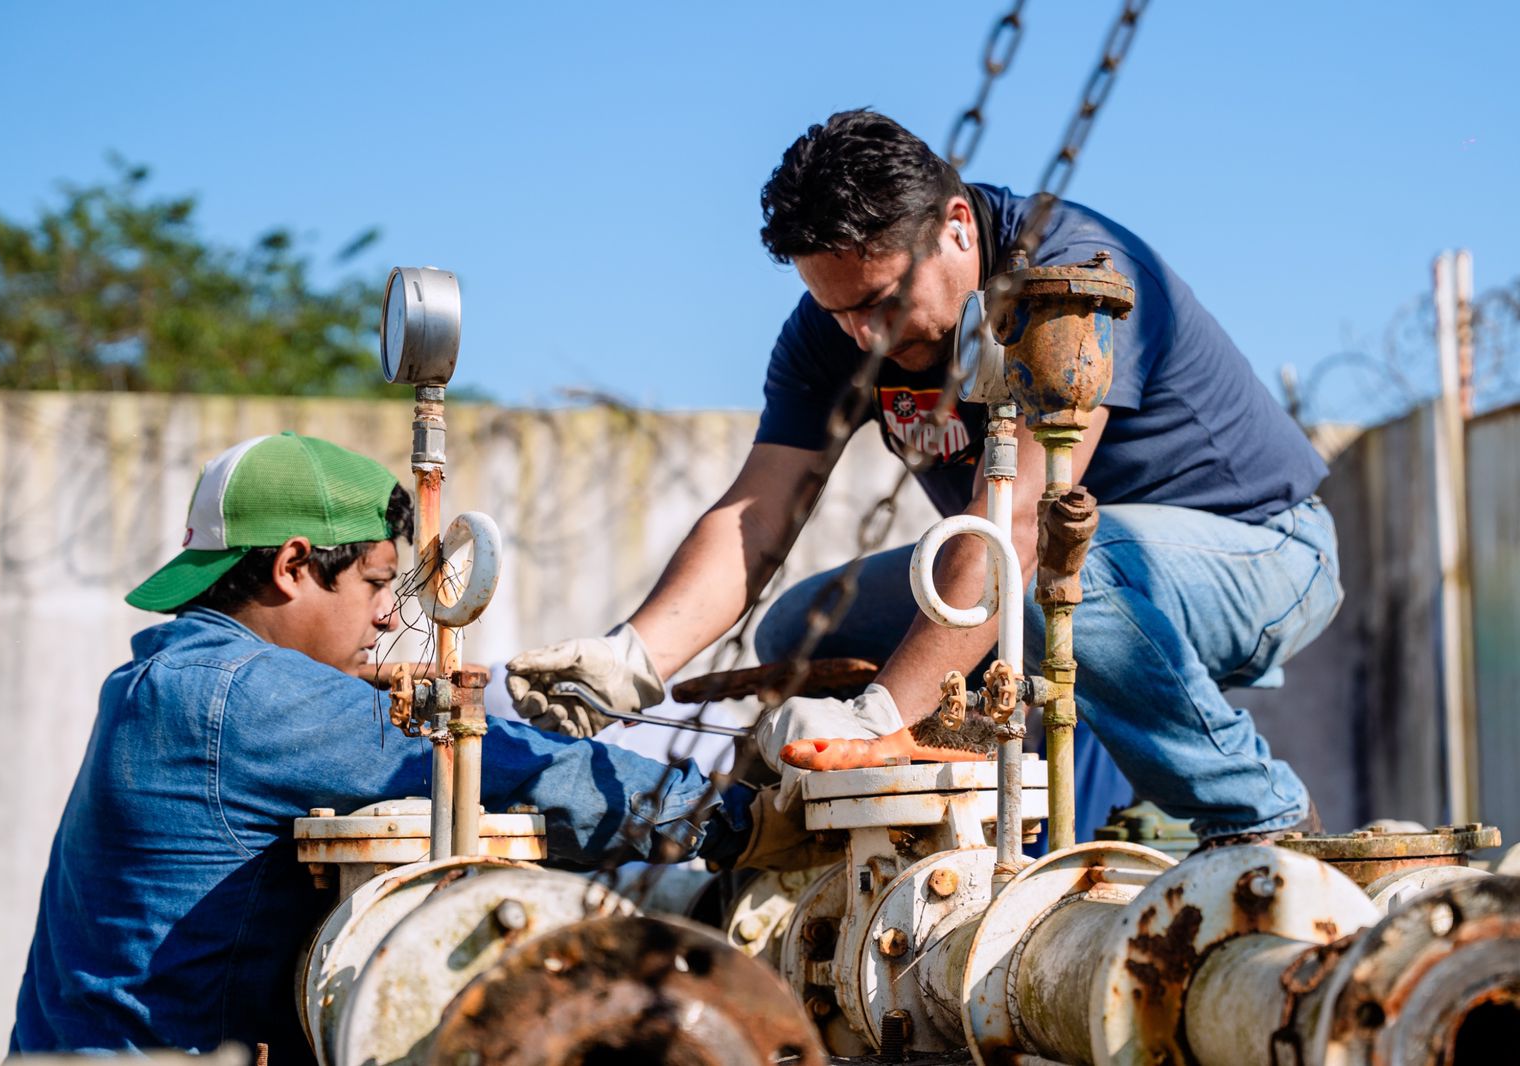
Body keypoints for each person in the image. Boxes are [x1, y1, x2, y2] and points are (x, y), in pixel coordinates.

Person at [506, 109, 1338, 849]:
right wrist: (632, 656)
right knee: (798, 634)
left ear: (956, 227)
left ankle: (1259, 818)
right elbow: (755, 514)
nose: (864, 335)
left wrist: (879, 722)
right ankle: (929, 830)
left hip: (1260, 554)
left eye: (883, 301)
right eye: (839, 310)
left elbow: (1018, 523)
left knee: (1053, 570)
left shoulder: (1073, 281)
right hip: (1053, 567)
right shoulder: (834, 330)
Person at [9, 432, 819, 1061]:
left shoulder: (163, 678)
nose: (390, 617)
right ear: (293, 566)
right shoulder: (244, 698)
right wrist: (733, 821)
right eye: (374, 582)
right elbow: (503, 770)